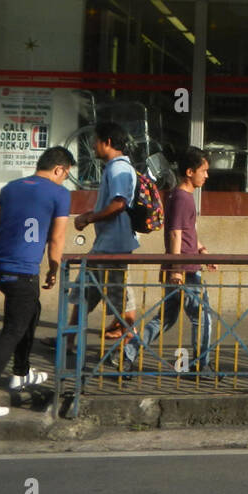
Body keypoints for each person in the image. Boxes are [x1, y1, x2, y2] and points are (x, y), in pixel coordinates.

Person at [0, 147, 74, 417]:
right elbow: (57, 237)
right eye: (65, 175)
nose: (64, 180)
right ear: (58, 169)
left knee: (31, 312)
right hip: (23, 270)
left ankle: (20, 372)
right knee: (13, 329)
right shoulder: (59, 193)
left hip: (1, 267)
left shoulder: (9, 188)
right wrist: (54, 267)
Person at [122, 147, 217, 374]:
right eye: (203, 171)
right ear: (189, 172)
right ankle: (202, 365)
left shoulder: (178, 195)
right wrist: (176, 269)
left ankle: (128, 354)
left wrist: (201, 249)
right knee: (203, 317)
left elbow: (187, 231)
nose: (206, 175)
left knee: (165, 319)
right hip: (184, 269)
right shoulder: (183, 198)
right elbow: (175, 233)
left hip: (182, 265)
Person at [60, 121, 138, 359]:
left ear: (108, 142)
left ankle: (129, 345)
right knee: (84, 292)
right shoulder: (114, 168)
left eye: (96, 140)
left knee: (118, 299)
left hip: (114, 246)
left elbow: (119, 203)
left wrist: (89, 217)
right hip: (105, 244)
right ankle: (68, 342)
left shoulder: (118, 169)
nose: (93, 145)